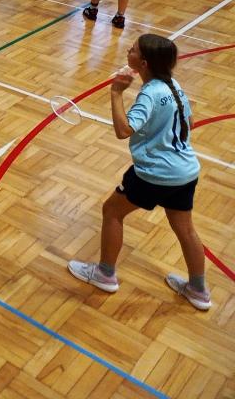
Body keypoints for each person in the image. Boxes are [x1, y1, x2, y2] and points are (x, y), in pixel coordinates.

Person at [68, 34, 210, 311]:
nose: (127, 51)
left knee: (112, 211)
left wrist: (116, 93)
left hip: (155, 174)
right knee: (186, 230)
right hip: (186, 172)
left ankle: (105, 274)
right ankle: (198, 290)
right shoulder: (174, 85)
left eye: (132, 50)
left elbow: (123, 131)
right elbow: (190, 121)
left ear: (143, 63)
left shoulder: (149, 94)